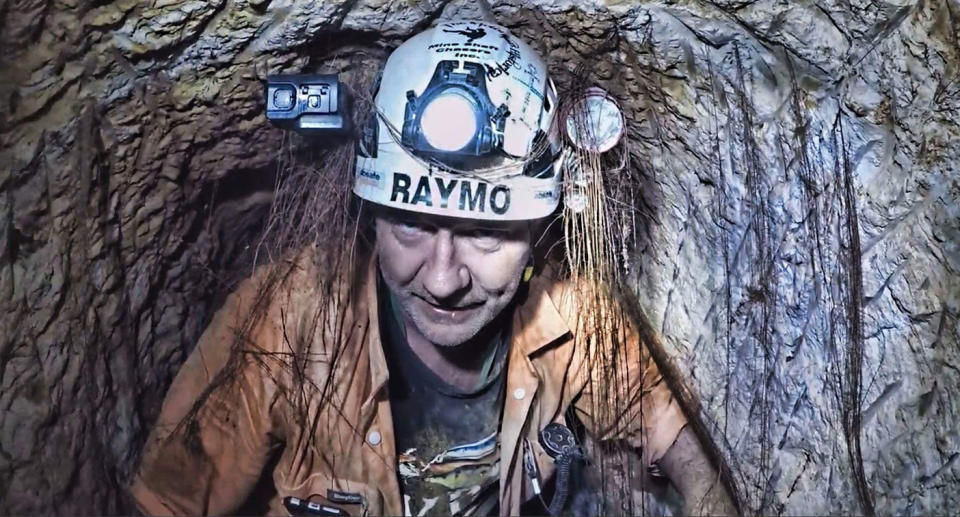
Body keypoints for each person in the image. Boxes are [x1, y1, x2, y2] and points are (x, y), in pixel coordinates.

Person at [129, 20, 737, 516]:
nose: (443, 279)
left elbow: (675, 442)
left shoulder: (571, 316)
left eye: (485, 232)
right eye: (413, 225)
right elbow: (169, 499)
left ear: (536, 236)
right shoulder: (292, 315)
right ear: (369, 216)